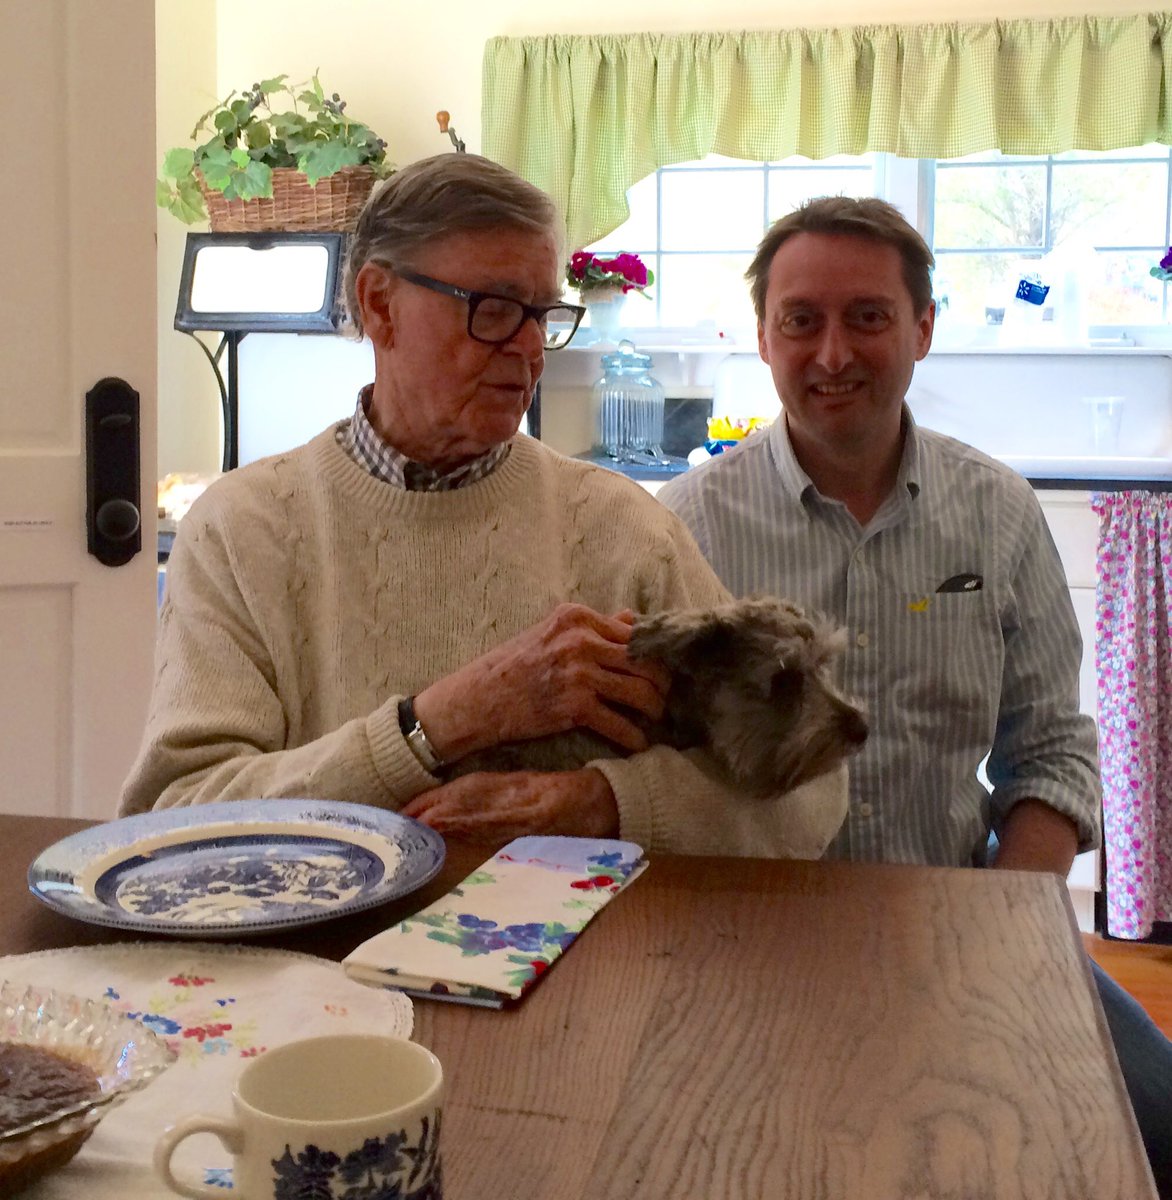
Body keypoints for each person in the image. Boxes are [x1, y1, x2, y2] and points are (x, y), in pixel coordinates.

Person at [119, 153, 846, 862]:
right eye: (494, 310)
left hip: (584, 944)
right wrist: (438, 724)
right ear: (379, 305)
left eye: (542, 314)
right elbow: (172, 820)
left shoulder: (624, 530)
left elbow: (813, 792)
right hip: (321, 944)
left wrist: (604, 804)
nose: (530, 348)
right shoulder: (240, 530)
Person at [657, 195, 1171, 1195]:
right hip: (754, 940)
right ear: (762, 336)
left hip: (962, 914)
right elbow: (654, 767)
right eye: (801, 320)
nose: (832, 353)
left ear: (922, 328)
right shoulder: (689, 526)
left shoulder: (997, 512)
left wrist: (1002, 932)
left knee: (1149, 1123)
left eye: (868, 317)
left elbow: (1052, 750)